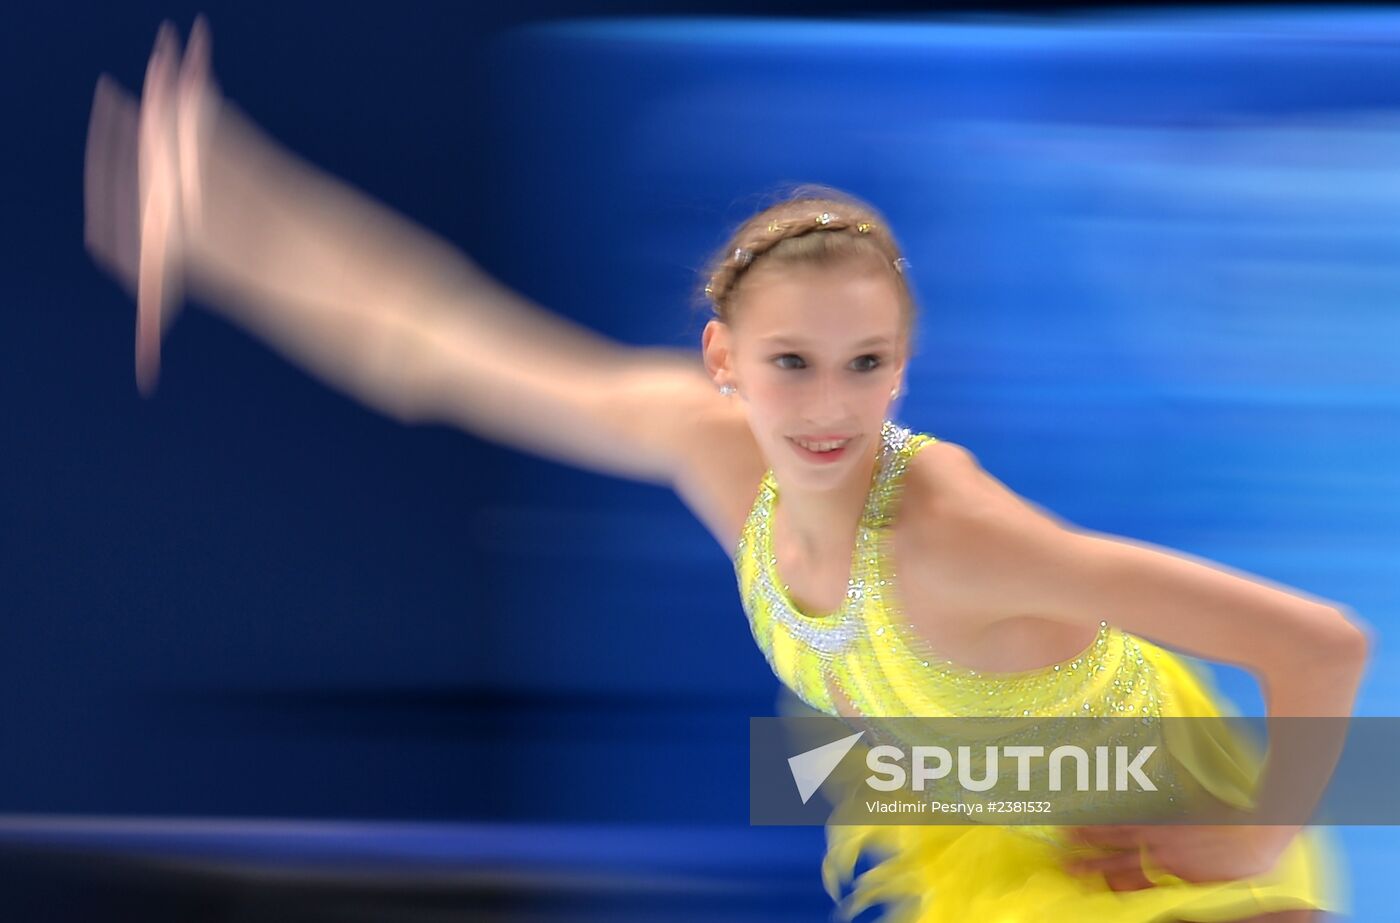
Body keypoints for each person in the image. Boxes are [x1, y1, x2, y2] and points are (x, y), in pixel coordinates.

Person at [85, 18, 1371, 923]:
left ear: (904, 371)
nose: (828, 406)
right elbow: (439, 347)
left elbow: (1319, 640)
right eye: (791, 364)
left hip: (1140, 812)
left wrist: (1252, 830)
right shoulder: (704, 450)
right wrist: (221, 219)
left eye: (865, 365)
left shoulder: (954, 529)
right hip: (974, 788)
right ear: (722, 361)